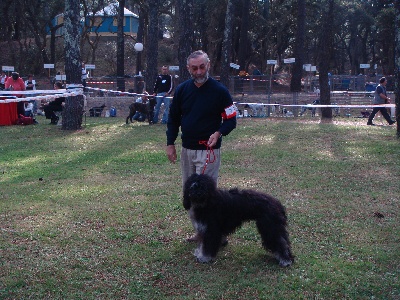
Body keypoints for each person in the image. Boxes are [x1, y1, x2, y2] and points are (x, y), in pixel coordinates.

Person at [166, 50, 237, 242]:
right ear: (188, 68)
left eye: (202, 67)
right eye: (194, 68)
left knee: (207, 196)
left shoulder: (220, 91)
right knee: (190, 194)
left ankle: (216, 234)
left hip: (209, 151)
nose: (198, 71)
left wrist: (219, 132)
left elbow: (231, 120)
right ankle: (200, 231)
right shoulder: (182, 90)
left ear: (208, 65)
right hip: (187, 150)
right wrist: (170, 143)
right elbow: (173, 119)